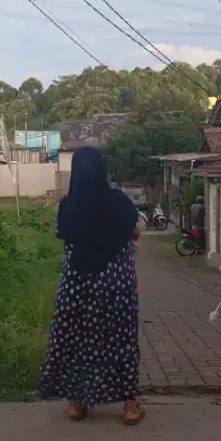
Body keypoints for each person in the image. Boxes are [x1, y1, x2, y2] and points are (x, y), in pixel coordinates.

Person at [38, 146, 144, 425]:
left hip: (77, 282)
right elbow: (135, 232)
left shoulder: (68, 205)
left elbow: (64, 236)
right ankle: (130, 406)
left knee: (77, 339)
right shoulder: (120, 202)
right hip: (116, 283)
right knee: (121, 339)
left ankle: (76, 404)